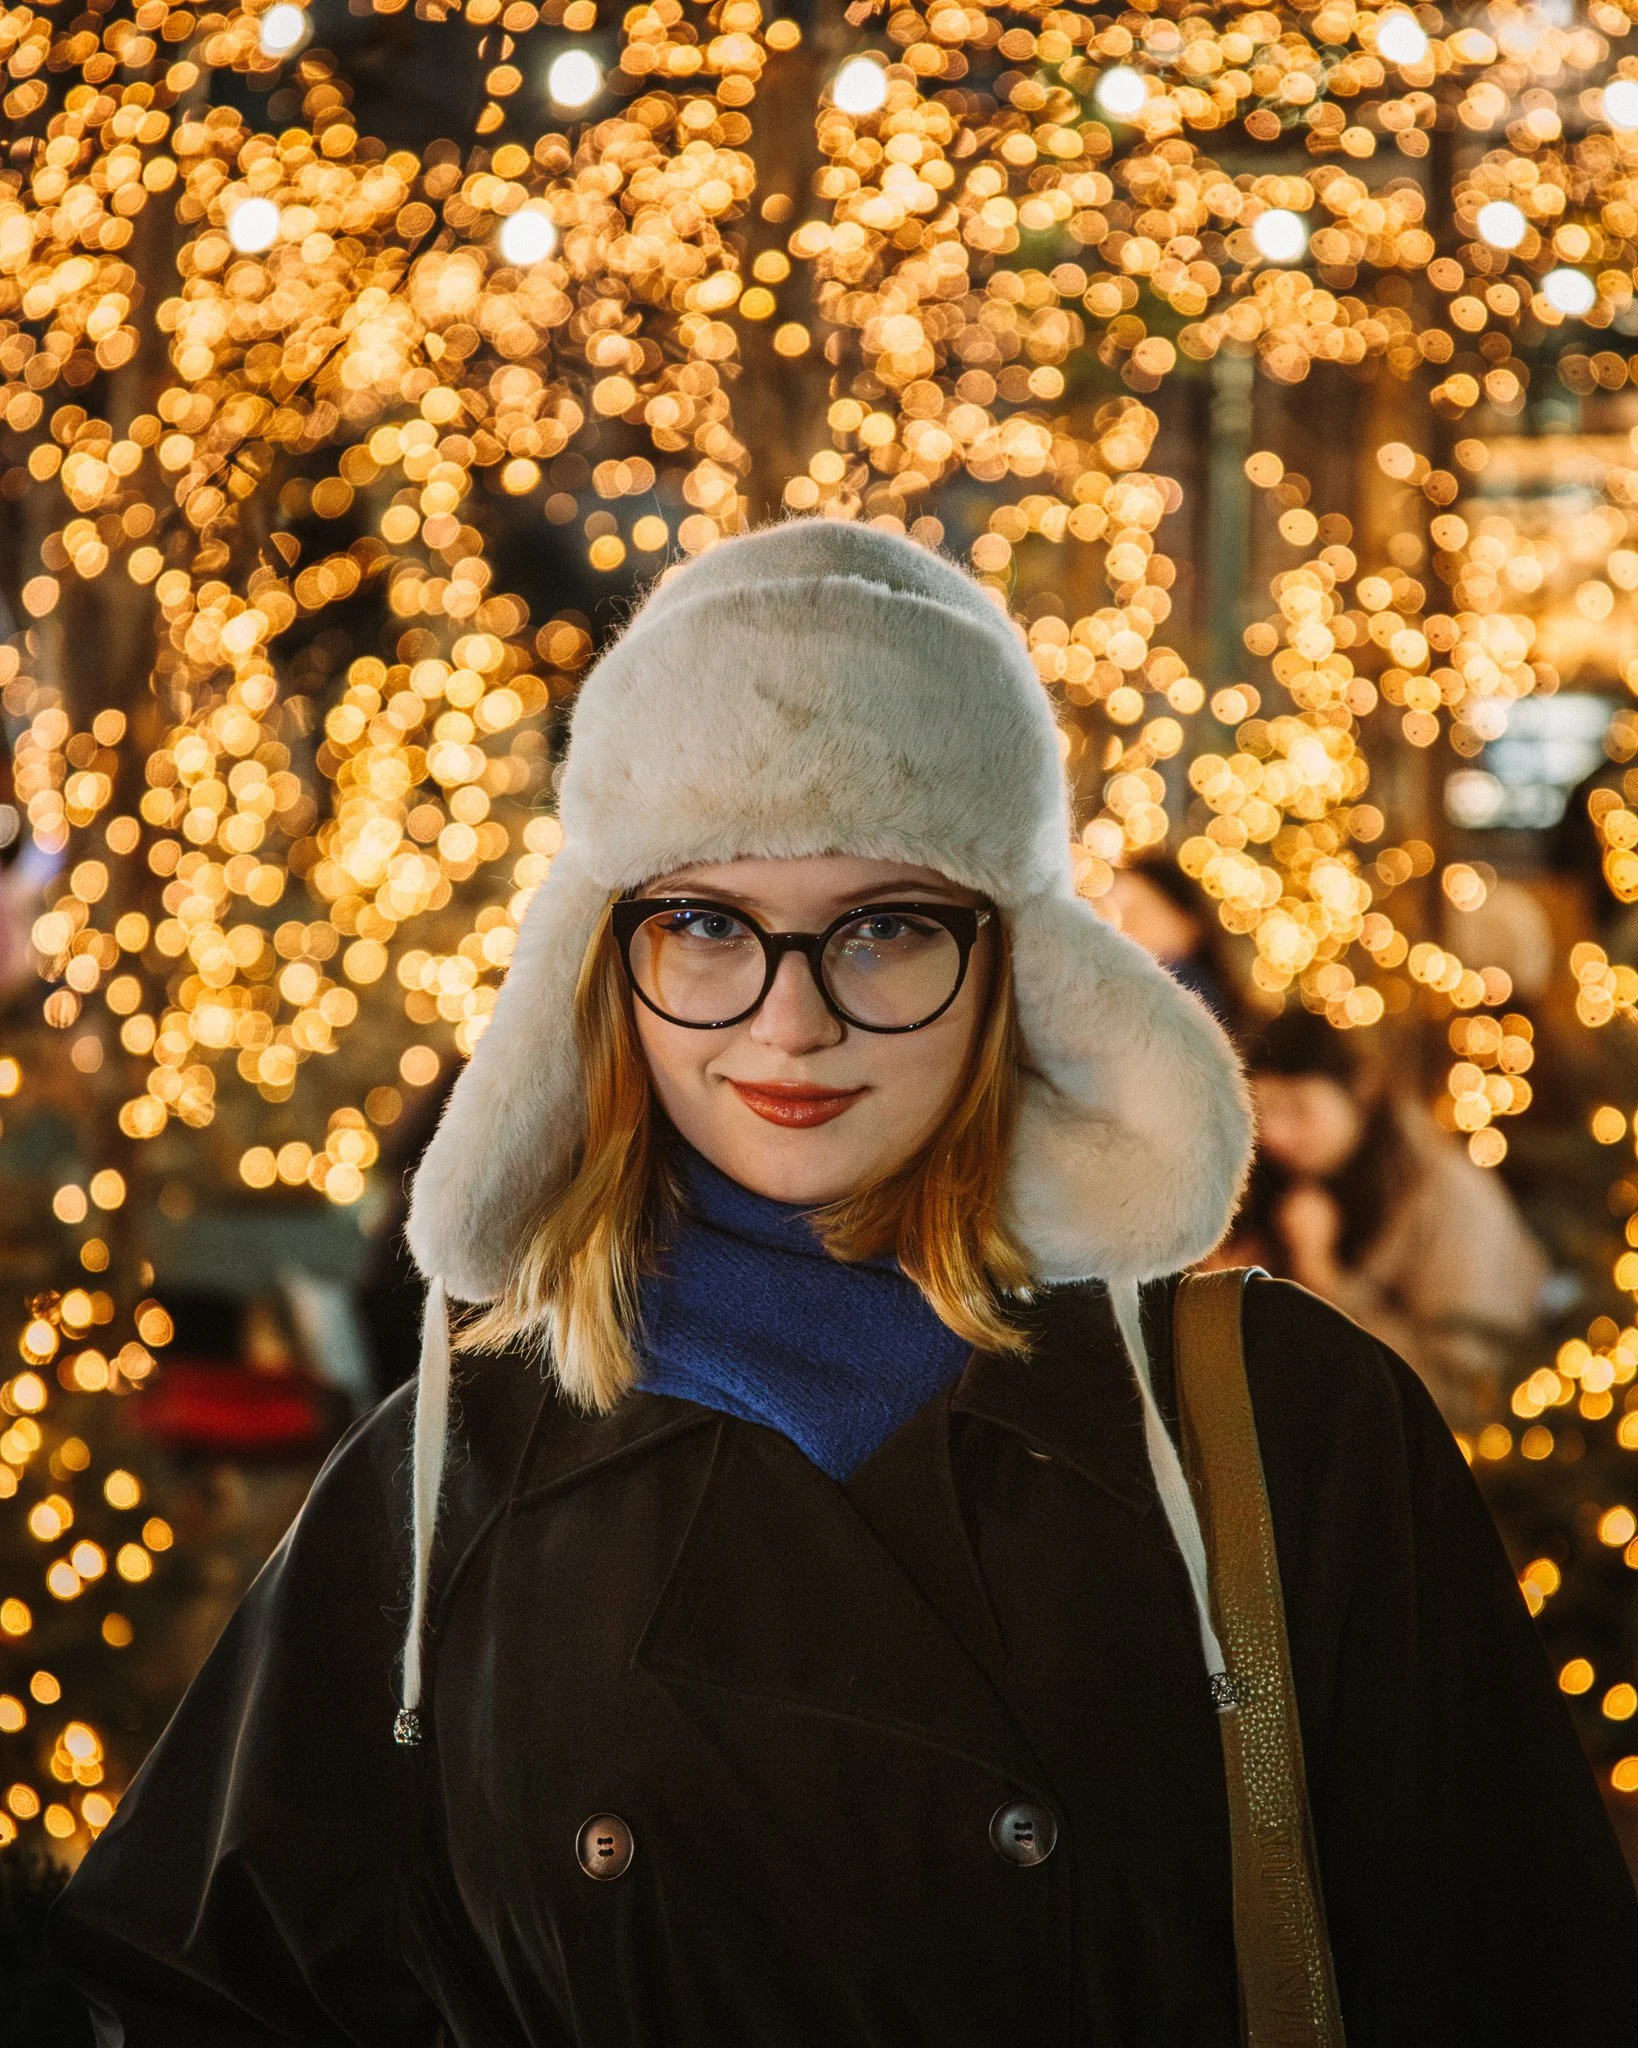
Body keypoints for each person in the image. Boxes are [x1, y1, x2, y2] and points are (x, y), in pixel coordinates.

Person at [51, 523, 1638, 2043]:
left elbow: (1516, 1977)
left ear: (1008, 958)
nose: (790, 1023)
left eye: (881, 928)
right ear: (611, 971)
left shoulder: (1276, 1422)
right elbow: (200, 1988)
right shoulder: (455, 1468)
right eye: (704, 925)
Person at [1243, 1008, 1548, 1429]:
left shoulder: (1443, 1197)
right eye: (1265, 1113)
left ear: (1361, 1089)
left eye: (1298, 1109)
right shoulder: (1302, 1181)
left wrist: (1324, 1280)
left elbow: (1466, 1388)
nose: (1276, 1134)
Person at [1105, 854, 1244, 1033]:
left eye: (1136, 914)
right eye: (1112, 916)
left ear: (1187, 923)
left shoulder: (1184, 1002)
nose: (1122, 929)